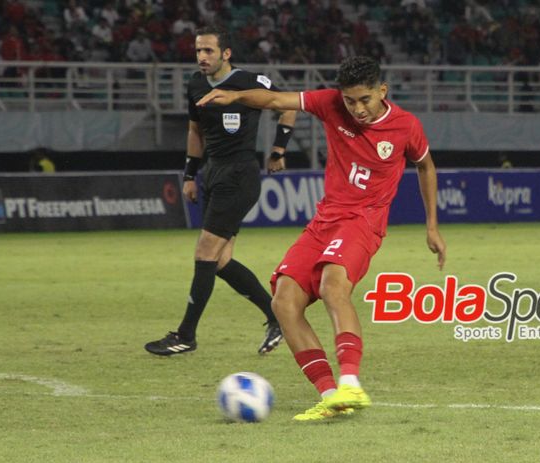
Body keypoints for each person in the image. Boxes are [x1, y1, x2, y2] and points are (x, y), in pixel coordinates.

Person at [197, 56, 446, 420]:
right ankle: (332, 396)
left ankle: (351, 383)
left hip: (364, 221)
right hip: (325, 219)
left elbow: (425, 165)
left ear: (382, 91)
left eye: (365, 99)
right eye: (350, 101)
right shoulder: (330, 103)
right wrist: (235, 97)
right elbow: (275, 101)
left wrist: (432, 226)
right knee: (283, 301)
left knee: (333, 285)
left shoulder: (405, 126)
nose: (357, 108)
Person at [144, 25, 297, 356]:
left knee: (204, 253)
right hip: (212, 174)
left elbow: (289, 105)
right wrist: (189, 174)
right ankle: (277, 316)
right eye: (198, 50)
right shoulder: (196, 84)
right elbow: (194, 130)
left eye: (208, 50)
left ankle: (186, 334)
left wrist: (279, 150)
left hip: (239, 174)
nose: (201, 56)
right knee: (221, 260)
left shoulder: (249, 81)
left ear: (226, 54)